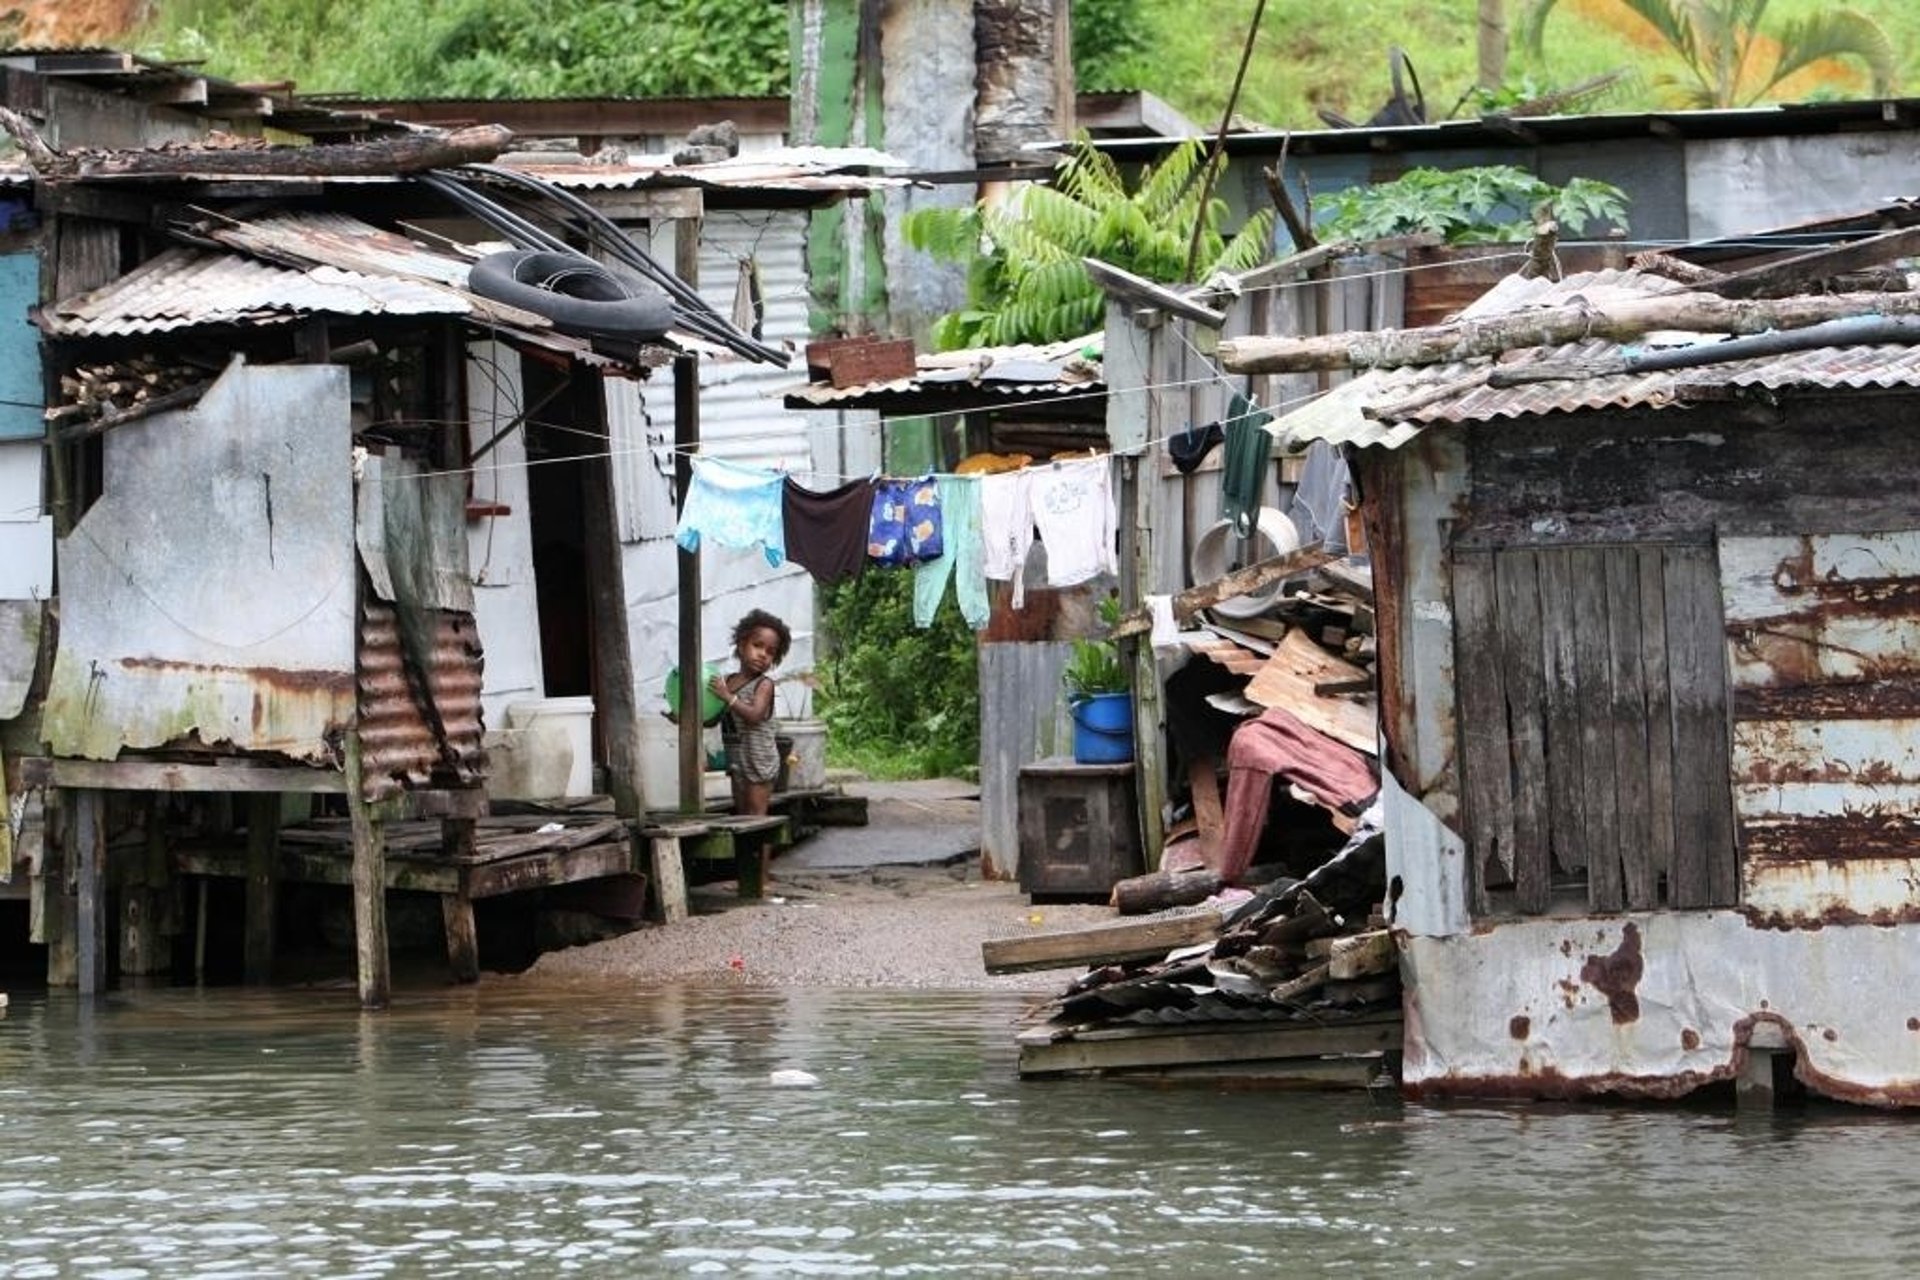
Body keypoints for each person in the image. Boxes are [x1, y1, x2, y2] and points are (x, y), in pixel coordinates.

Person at [708, 608, 791, 816]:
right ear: (741, 645)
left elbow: (755, 716)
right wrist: (680, 717)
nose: (763, 654)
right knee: (742, 814)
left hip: (759, 760)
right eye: (757, 645)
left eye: (770, 652)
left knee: (756, 815)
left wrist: (727, 697)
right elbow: (713, 717)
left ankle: (765, 839)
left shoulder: (764, 685)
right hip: (737, 759)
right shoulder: (728, 682)